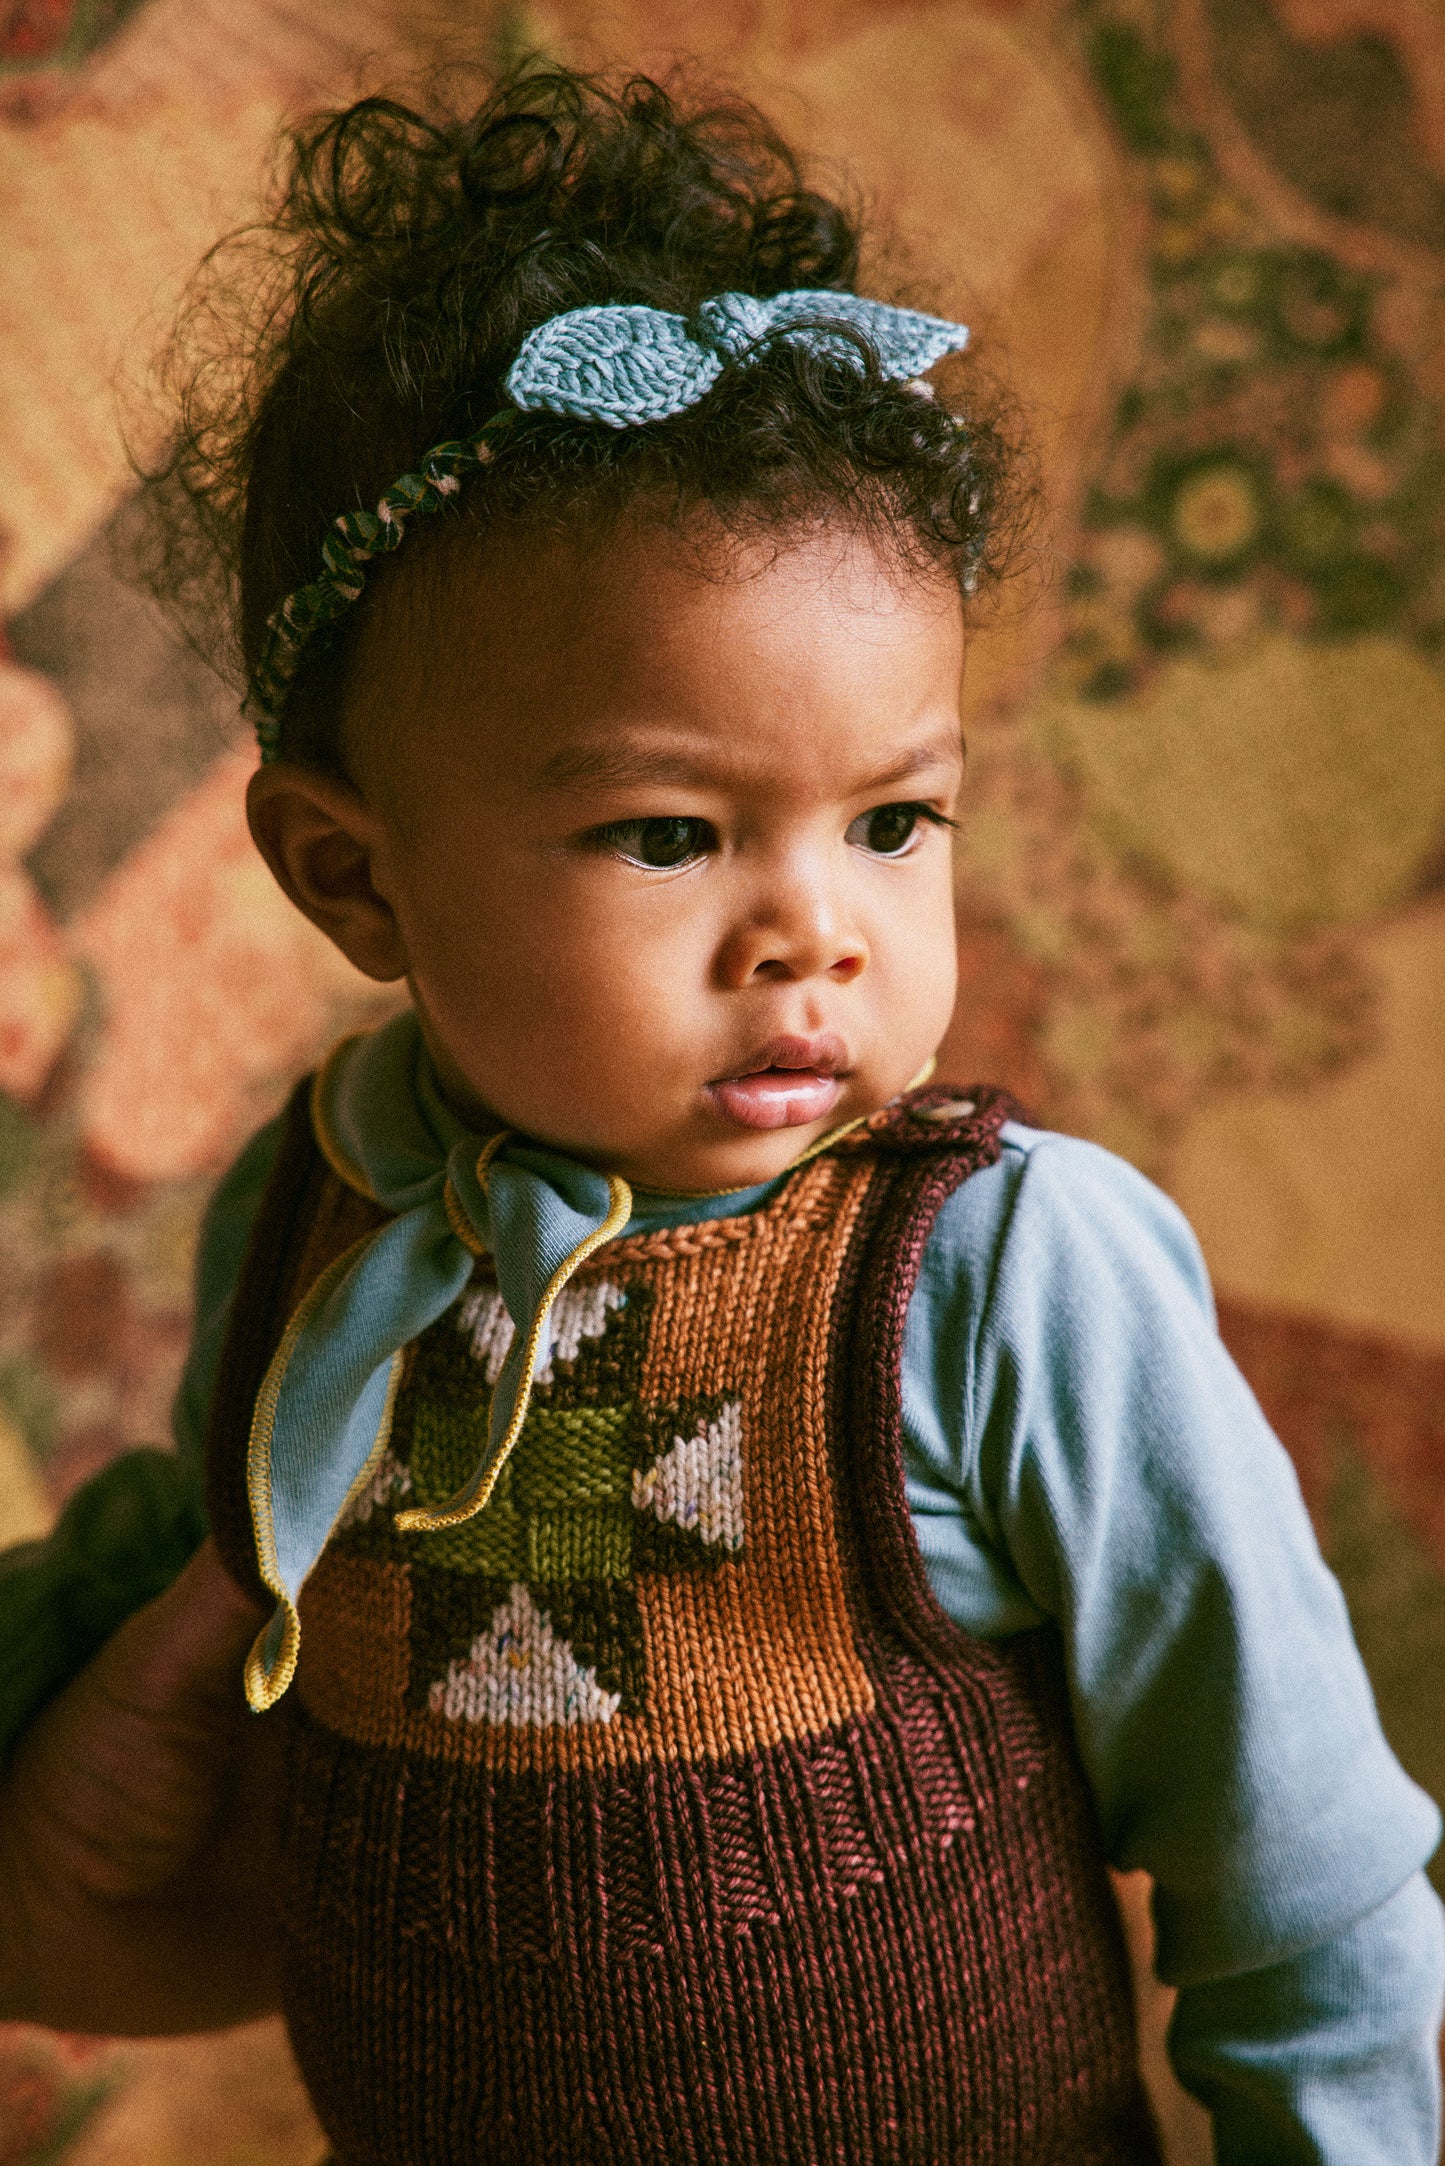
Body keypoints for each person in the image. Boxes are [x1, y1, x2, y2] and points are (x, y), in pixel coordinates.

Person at [0, 64, 1440, 2166]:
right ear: (350, 873)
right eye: (669, 830)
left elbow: (1299, 1879)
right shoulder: (307, 1227)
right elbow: (183, 1598)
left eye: (893, 820)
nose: (816, 934)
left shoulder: (1004, 1275)